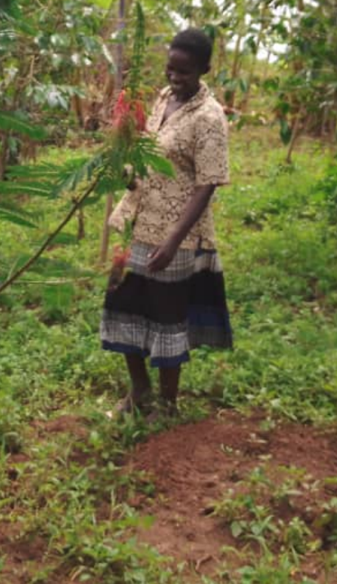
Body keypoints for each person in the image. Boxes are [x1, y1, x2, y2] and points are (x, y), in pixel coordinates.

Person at [100, 27, 232, 418]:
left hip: (175, 231)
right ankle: (139, 392)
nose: (174, 79)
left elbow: (208, 183)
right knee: (123, 306)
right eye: (170, 69)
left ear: (204, 69)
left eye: (184, 72)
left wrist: (174, 240)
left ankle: (168, 404)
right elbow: (147, 150)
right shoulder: (163, 98)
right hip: (134, 220)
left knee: (166, 316)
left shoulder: (210, 117)